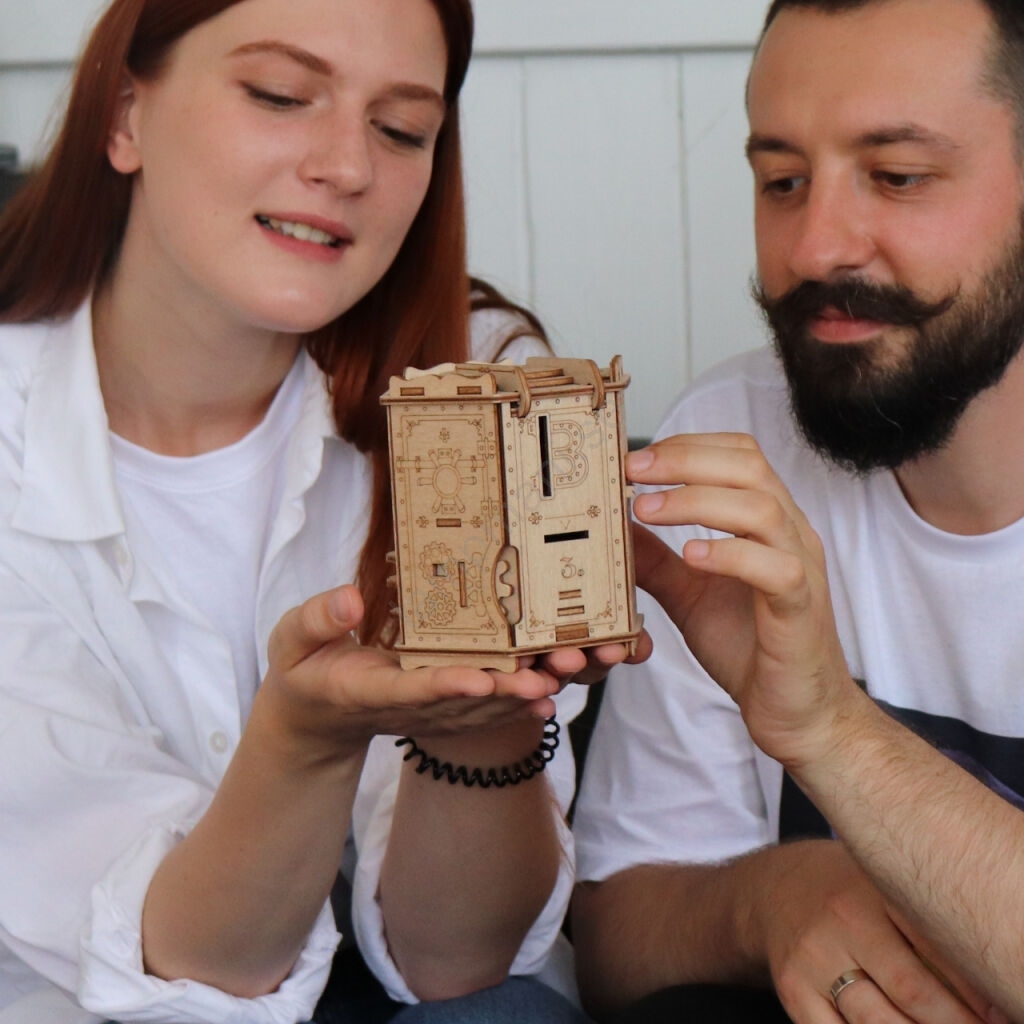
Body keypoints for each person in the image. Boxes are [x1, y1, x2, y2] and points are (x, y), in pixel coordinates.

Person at [0, 1, 630, 1021]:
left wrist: (486, 719)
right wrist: (303, 742)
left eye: (401, 129)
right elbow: (193, 964)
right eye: (280, 95)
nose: (347, 166)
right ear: (124, 114)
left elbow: (456, 966)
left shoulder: (480, 389)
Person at [571, 1, 1024, 1022]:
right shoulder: (733, 437)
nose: (816, 248)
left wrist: (832, 735)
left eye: (897, 175)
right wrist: (768, 900)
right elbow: (610, 940)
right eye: (781, 181)